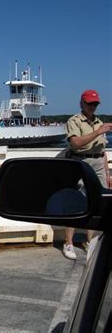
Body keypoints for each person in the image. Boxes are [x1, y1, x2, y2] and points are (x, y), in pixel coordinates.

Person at [62, 89, 112, 260]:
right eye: (89, 103)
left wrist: (107, 173)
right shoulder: (74, 121)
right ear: (81, 103)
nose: (93, 107)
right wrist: (98, 132)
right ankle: (68, 242)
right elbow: (75, 143)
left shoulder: (99, 121)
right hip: (80, 162)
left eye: (95, 104)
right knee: (75, 201)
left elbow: (102, 151)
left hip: (98, 163)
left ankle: (90, 241)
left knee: (98, 202)